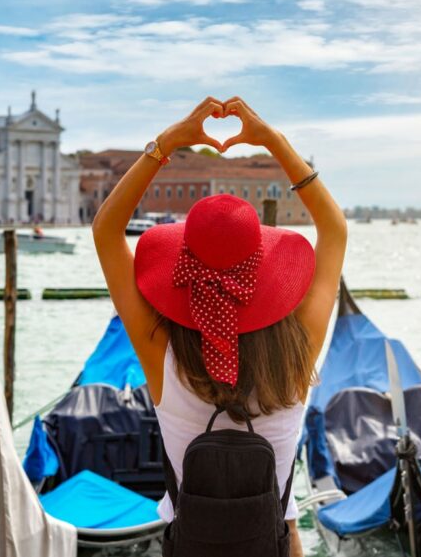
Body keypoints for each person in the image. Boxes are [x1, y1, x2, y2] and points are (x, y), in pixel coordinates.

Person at [92, 96, 347, 557]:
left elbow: (106, 231)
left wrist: (166, 143)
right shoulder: (297, 354)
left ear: (185, 269)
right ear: (264, 274)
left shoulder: (161, 352)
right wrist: (274, 141)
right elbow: (334, 229)